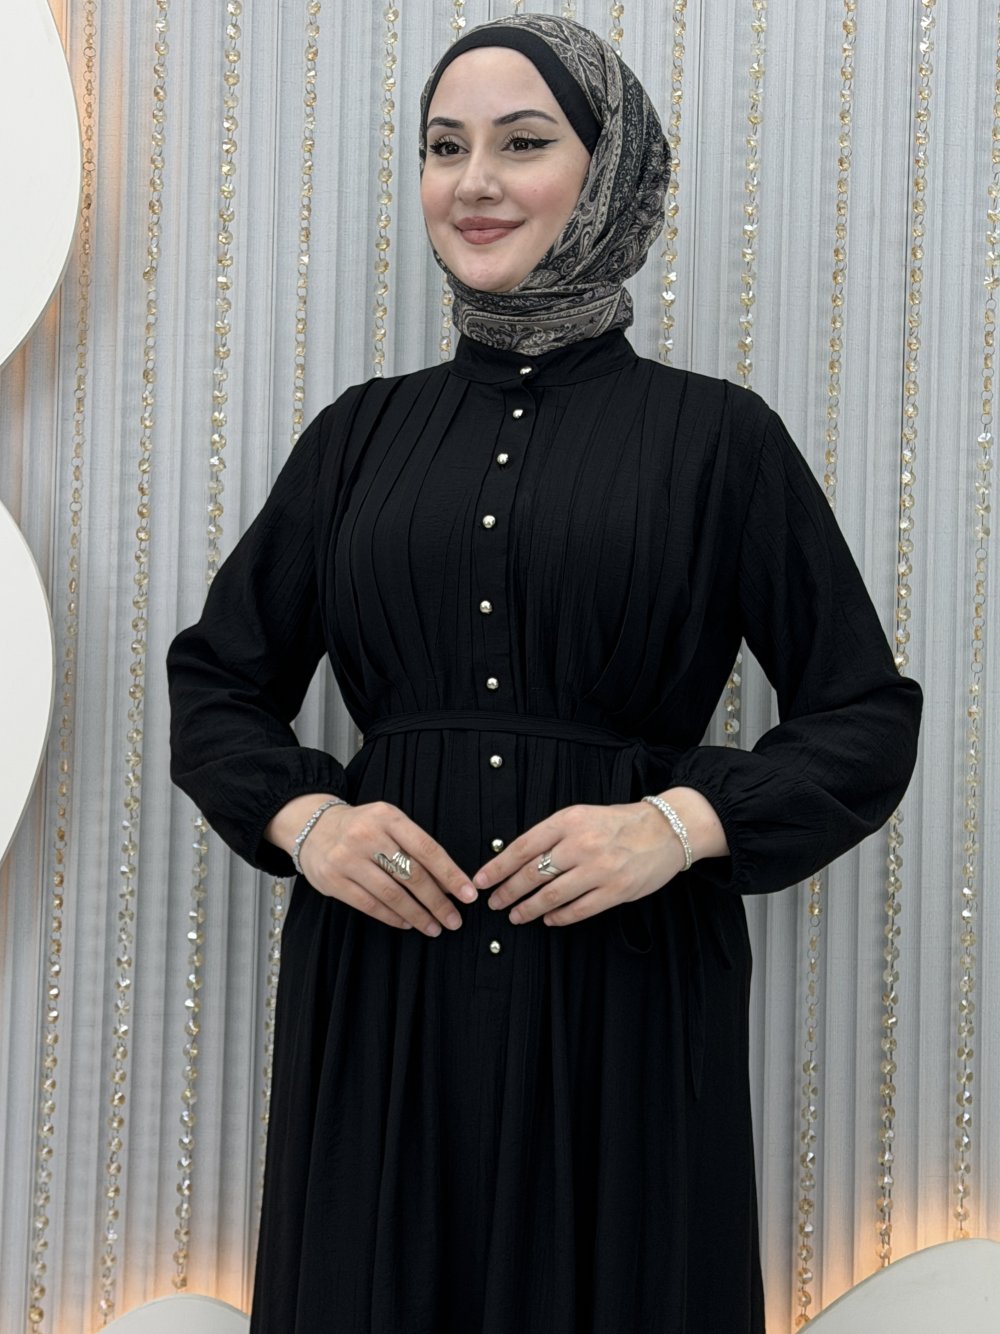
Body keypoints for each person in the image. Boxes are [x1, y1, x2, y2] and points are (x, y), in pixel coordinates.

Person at [167, 14, 922, 1333]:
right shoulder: (358, 436)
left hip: (624, 992)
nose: (475, 182)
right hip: (385, 994)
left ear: (607, 169)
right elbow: (217, 682)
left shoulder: (720, 439)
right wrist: (309, 820)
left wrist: (677, 824)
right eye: (444, 146)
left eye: (523, 143)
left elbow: (863, 715)